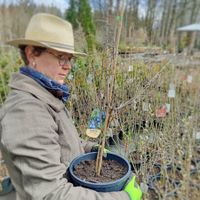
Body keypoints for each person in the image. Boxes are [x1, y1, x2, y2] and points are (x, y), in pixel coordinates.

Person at [0, 13, 142, 200]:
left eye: (70, 58)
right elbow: (51, 193)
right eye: (60, 57)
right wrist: (124, 197)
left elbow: (61, 143)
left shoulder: (46, 95)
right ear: (31, 53)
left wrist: (91, 148)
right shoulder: (26, 111)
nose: (67, 66)